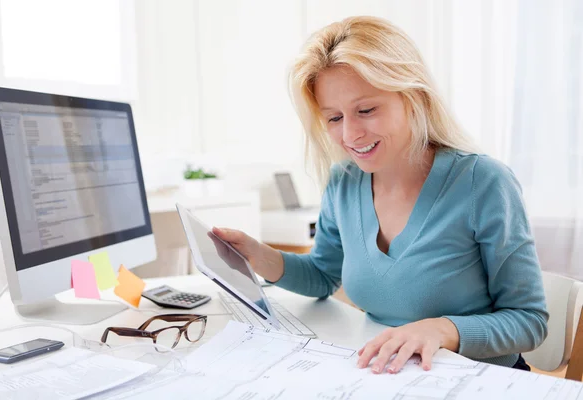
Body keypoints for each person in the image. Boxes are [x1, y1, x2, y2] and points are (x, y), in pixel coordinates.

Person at [212, 16, 548, 374]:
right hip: (389, 375)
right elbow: (323, 275)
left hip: (480, 379)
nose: (351, 134)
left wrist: (442, 329)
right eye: (334, 118)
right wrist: (256, 255)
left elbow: (529, 321)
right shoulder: (343, 181)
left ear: (413, 96)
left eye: (366, 110)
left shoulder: (483, 182)